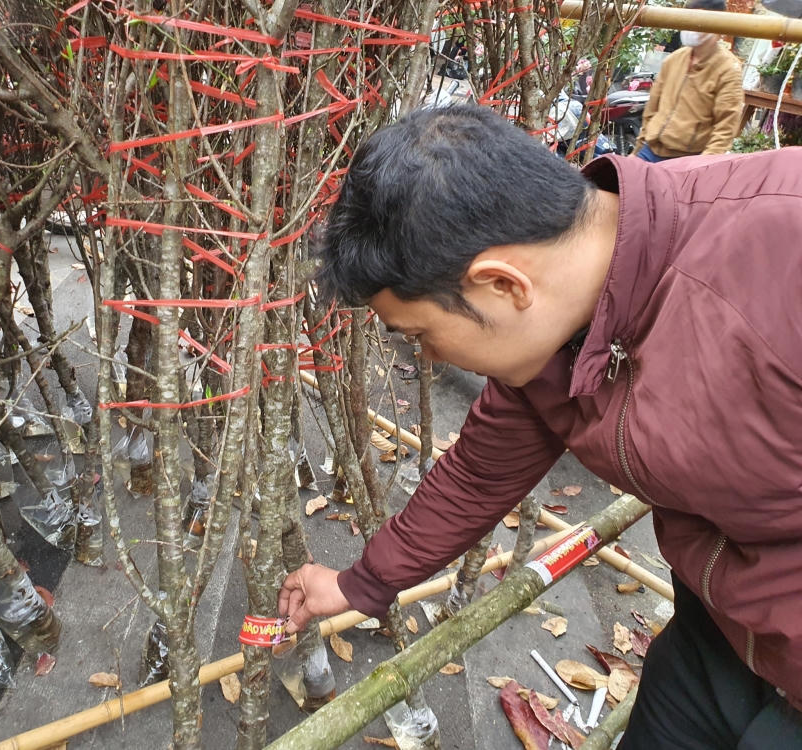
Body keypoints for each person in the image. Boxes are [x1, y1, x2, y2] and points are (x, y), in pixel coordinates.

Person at [277, 104, 802, 747]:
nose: (429, 358)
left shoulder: (780, 262)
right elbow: (479, 474)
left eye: (420, 335)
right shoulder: (556, 337)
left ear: (502, 284)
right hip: (718, 631)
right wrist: (359, 584)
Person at [631, 0, 744, 162]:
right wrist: (638, 150)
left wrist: (700, 166)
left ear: (717, 27)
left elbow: (725, 128)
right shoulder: (674, 59)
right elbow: (652, 108)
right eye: (688, 20)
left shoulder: (727, 69)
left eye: (697, 21)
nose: (690, 28)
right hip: (651, 149)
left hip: (685, 159)